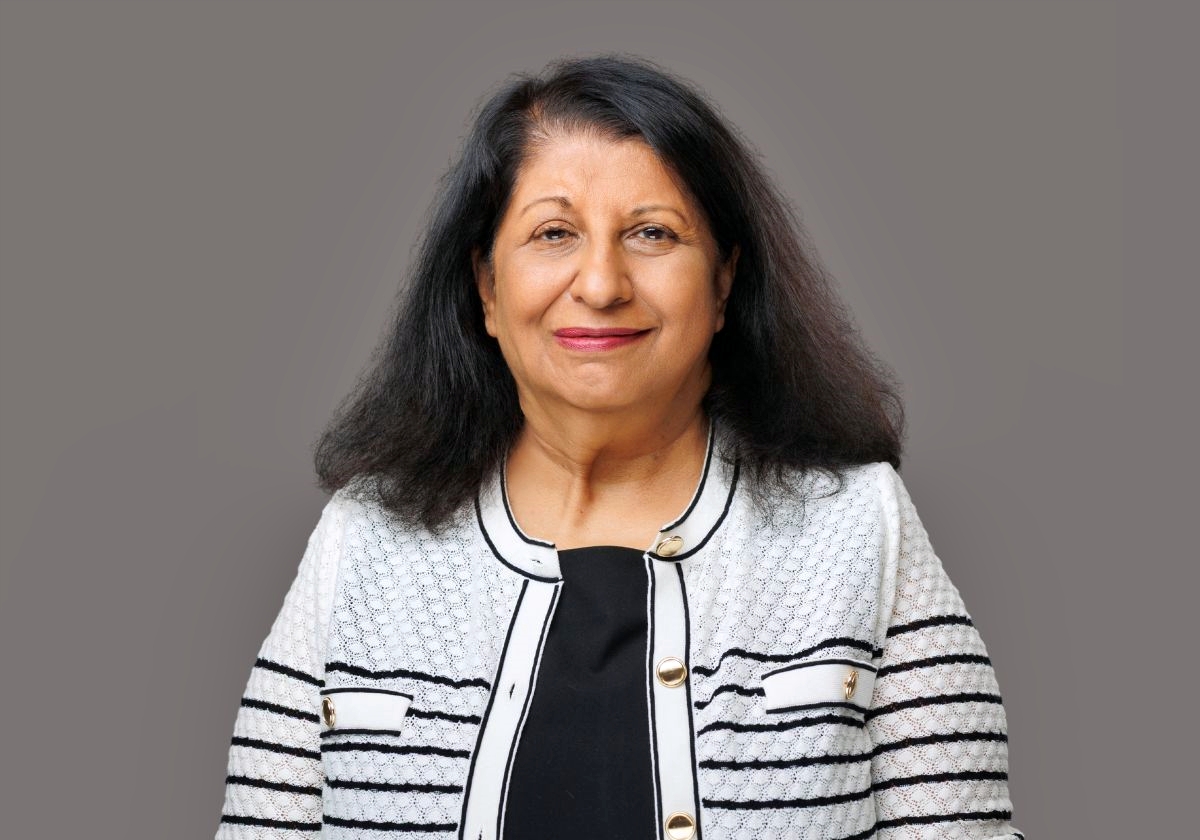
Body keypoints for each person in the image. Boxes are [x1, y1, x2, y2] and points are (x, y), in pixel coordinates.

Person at [215, 54, 1023, 840]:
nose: (601, 285)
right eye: (553, 233)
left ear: (723, 284)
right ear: (487, 289)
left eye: (652, 233)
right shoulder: (360, 543)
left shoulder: (860, 527)